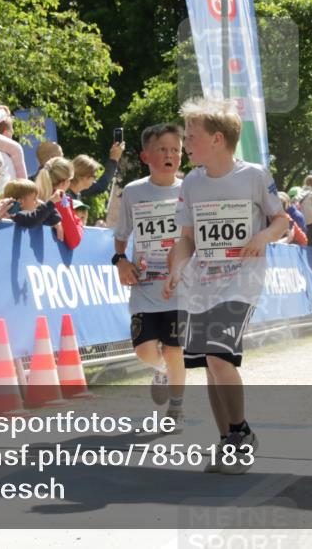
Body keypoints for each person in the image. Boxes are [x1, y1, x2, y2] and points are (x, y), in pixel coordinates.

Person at [164, 98, 288, 475]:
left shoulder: (254, 175)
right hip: (202, 284)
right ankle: (227, 440)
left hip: (242, 281)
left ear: (217, 139)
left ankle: (241, 434)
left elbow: (281, 220)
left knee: (219, 357)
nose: (185, 144)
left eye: (192, 137)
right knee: (210, 364)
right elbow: (188, 238)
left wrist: (262, 237)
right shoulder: (192, 182)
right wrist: (176, 267)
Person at [113, 123, 187, 423]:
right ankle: (161, 371)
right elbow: (121, 234)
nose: (170, 155)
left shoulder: (190, 190)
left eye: (176, 150)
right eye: (162, 150)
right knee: (144, 351)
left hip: (180, 287)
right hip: (145, 285)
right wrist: (121, 260)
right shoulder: (133, 192)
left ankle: (176, 409)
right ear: (145, 156)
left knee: (174, 349)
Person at [37, 156, 83, 249]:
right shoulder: (60, 200)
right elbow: (74, 240)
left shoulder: (33, 192)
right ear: (64, 182)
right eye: (70, 180)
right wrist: (79, 221)